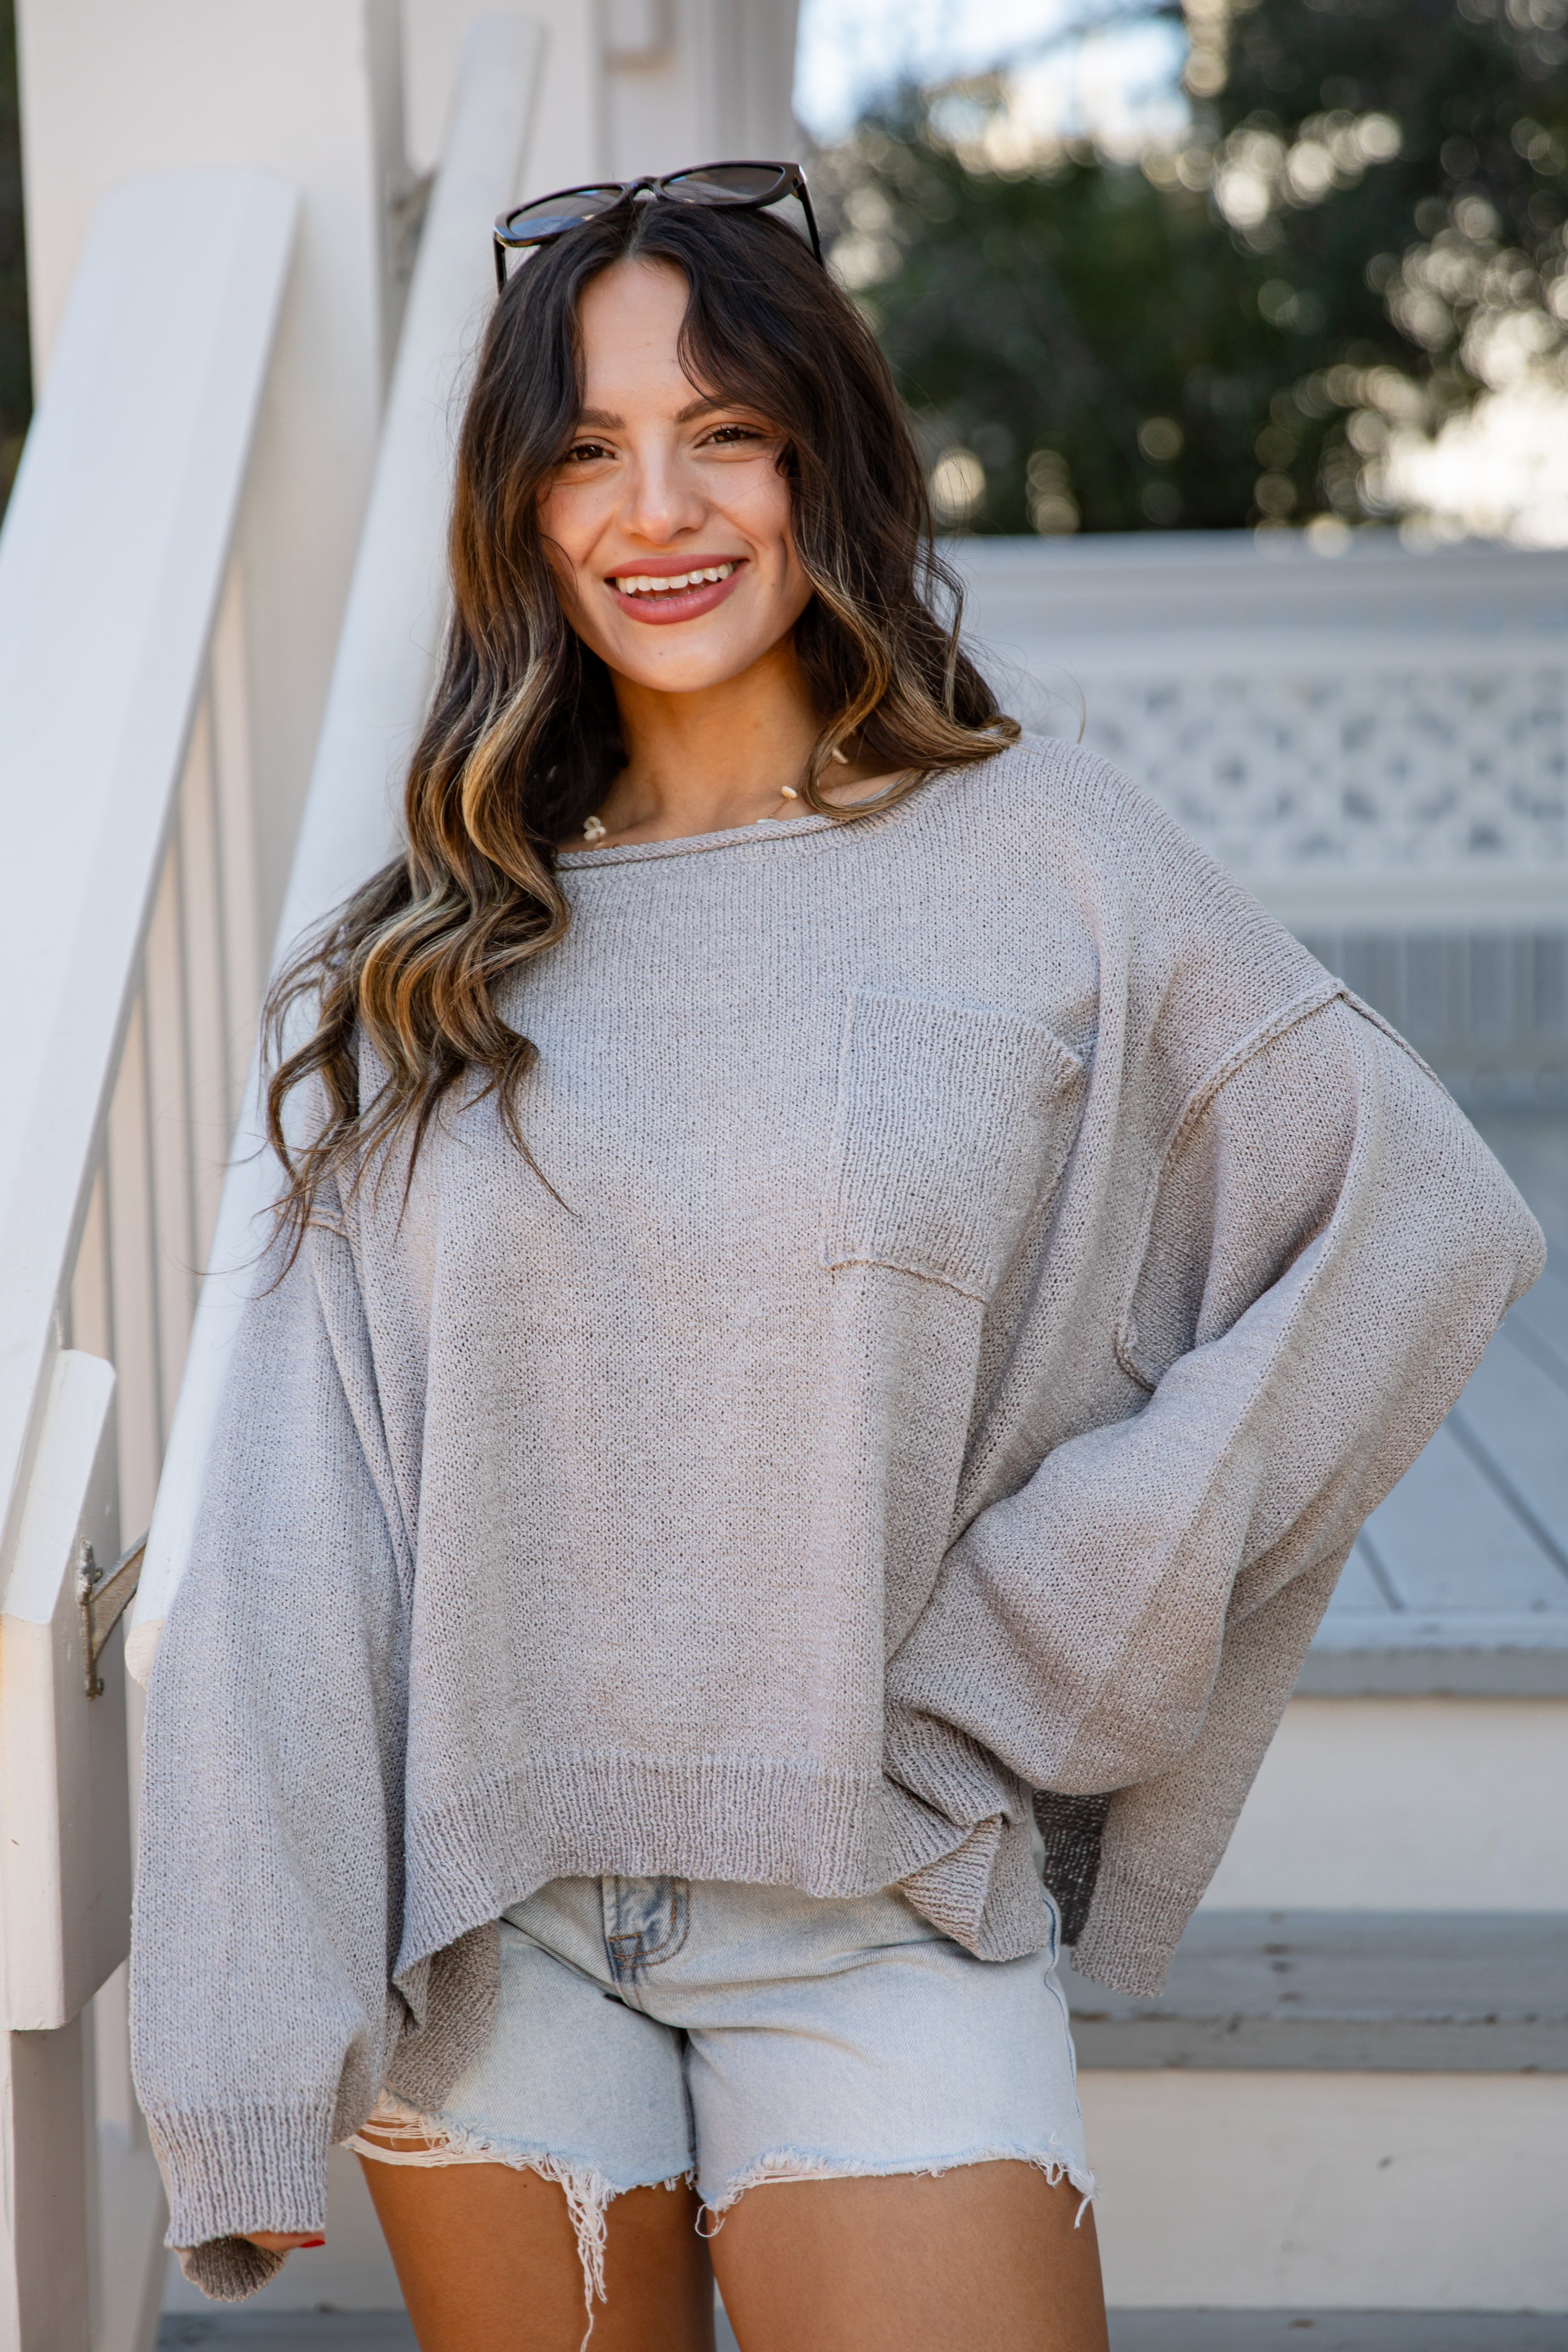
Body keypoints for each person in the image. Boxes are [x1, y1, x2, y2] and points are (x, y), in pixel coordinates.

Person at [129, 166, 1543, 2352]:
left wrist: (1038, 1650)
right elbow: (294, 1536)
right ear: (518, 510)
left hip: (876, 1889)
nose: (657, 505)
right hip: (486, 1933)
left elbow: (1417, 1224)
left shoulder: (1042, 854)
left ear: (825, 459)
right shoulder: (415, 960)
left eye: (725, 429)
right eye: (585, 448)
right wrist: (242, 2042)